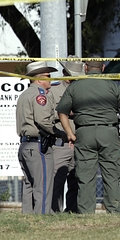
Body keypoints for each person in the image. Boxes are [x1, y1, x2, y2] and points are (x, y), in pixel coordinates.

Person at [56, 55, 120, 214]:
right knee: (112, 174)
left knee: (85, 175)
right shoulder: (112, 85)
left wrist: (69, 133)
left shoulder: (75, 86)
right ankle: (115, 210)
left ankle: (85, 213)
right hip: (108, 132)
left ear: (85, 67)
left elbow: (61, 112)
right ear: (103, 68)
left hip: (84, 132)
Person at [16, 61, 58, 214]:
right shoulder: (39, 96)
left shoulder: (25, 94)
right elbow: (43, 121)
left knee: (29, 184)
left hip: (26, 145)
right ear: (40, 79)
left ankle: (28, 216)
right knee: (43, 184)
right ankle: (42, 216)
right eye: (48, 76)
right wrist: (59, 133)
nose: (51, 79)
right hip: (38, 145)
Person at [50, 56, 84, 213]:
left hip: (80, 143)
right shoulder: (53, 90)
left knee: (77, 180)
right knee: (57, 181)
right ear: (64, 72)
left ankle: (72, 211)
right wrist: (65, 112)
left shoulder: (84, 90)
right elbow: (47, 116)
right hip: (61, 143)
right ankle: (54, 211)